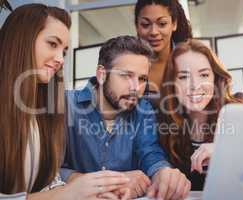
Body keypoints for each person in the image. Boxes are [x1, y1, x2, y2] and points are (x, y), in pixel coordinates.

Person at [0, 4, 130, 200]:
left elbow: (46, 184)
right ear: (22, 39)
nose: (60, 59)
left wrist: (93, 190)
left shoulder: (42, 112)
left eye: (64, 51)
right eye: (53, 44)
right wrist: (64, 194)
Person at [61, 35, 191, 199]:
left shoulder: (143, 109)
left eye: (142, 78)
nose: (136, 88)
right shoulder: (65, 105)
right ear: (102, 75)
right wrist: (101, 183)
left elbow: (150, 153)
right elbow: (48, 171)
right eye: (126, 75)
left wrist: (162, 172)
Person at [158, 39, 243, 190]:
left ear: (215, 78)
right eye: (183, 77)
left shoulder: (241, 108)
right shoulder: (165, 126)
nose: (195, 86)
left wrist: (225, 149)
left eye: (204, 75)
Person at [134, 0, 192, 103]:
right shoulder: (128, 65)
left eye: (162, 24)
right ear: (137, 26)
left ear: (174, 24)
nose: (154, 32)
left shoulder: (191, 60)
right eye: (145, 24)